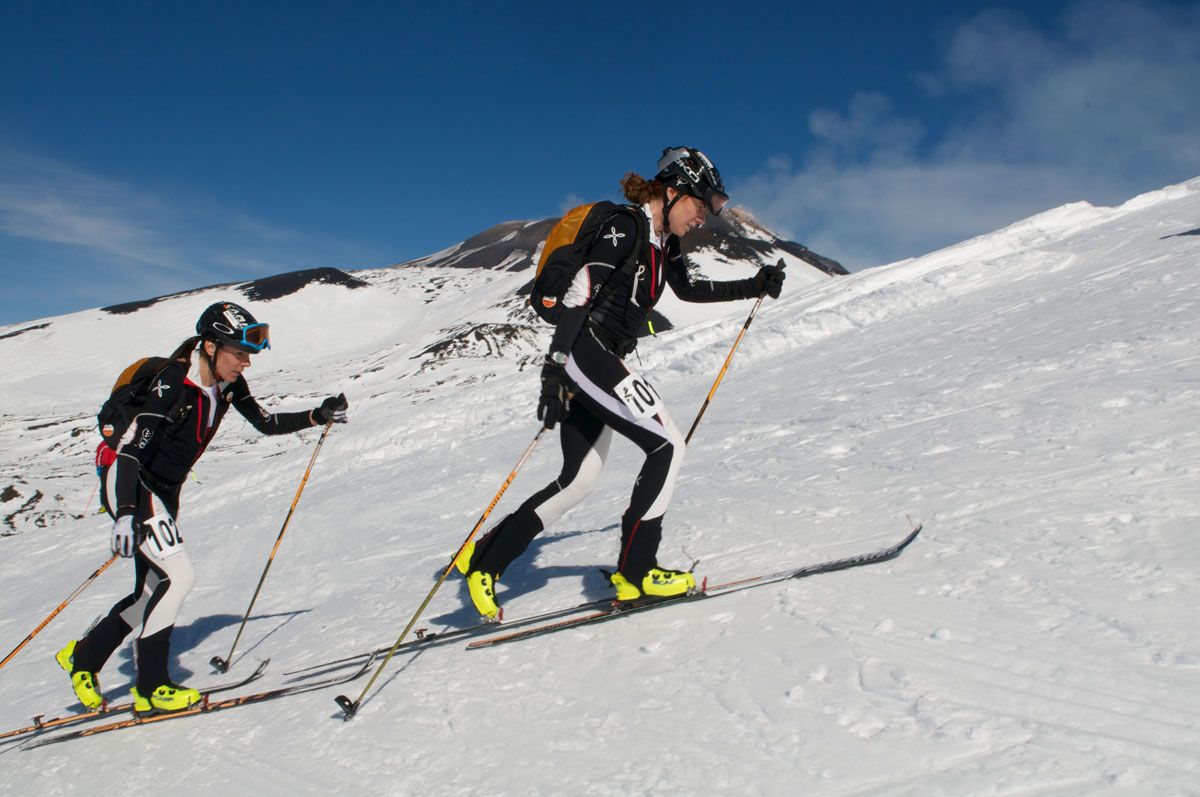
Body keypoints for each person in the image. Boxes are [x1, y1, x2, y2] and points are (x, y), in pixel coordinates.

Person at [457, 147, 785, 619]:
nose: (702, 219)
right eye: (700, 204)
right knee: (667, 445)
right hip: (585, 351)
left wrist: (753, 284)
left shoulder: (661, 243)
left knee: (579, 480)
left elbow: (689, 289)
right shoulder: (626, 226)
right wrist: (556, 368)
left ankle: (485, 559)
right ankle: (638, 571)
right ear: (672, 191)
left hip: (597, 358)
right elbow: (581, 291)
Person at [56, 301, 349, 713]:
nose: (246, 362)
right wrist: (125, 511)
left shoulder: (228, 386)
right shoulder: (172, 381)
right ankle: (152, 687)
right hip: (132, 483)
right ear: (210, 346)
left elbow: (265, 422)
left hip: (165, 491)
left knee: (150, 591)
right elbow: (128, 451)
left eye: (249, 355)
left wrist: (318, 415)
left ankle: (83, 657)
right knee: (178, 577)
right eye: (239, 353)